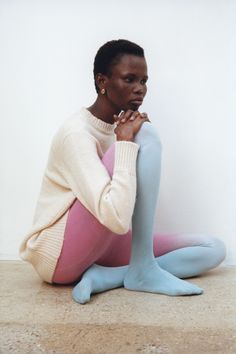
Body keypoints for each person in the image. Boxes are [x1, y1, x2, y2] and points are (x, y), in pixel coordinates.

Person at [19, 39, 226, 304]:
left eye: (144, 81)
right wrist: (126, 143)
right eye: (130, 79)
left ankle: (112, 276)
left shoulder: (121, 126)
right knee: (146, 134)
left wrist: (129, 139)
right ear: (102, 81)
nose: (140, 90)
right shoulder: (76, 134)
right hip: (59, 257)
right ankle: (140, 269)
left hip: (101, 245)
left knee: (211, 249)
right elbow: (116, 217)